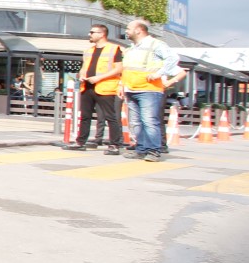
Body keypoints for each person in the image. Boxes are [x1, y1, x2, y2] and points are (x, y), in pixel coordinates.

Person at [120, 17, 185, 162]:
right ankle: (141, 149)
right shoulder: (131, 48)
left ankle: (154, 150)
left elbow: (173, 58)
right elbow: (127, 69)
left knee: (149, 121)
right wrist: (122, 85)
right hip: (131, 89)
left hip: (149, 89)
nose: (126, 31)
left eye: (128, 29)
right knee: (136, 122)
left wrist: (159, 74)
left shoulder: (155, 44)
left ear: (138, 30)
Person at [63, 23, 123, 154]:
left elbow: (118, 69)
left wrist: (99, 77)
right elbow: (84, 67)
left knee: (110, 117)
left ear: (102, 34)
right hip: (87, 86)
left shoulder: (114, 49)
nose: (89, 34)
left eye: (92, 32)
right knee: (85, 116)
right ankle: (80, 142)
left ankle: (115, 145)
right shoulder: (88, 51)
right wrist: (81, 74)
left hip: (104, 87)